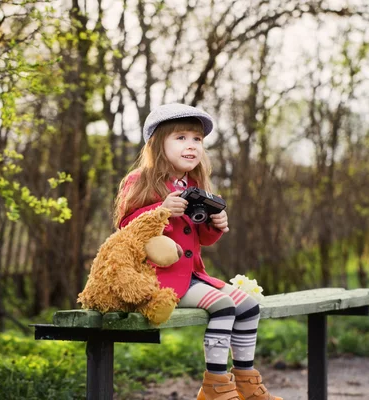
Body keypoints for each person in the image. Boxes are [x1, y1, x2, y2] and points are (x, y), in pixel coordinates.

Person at [114, 103, 282, 400]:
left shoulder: (193, 185)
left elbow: (201, 239)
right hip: (157, 278)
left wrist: (216, 223)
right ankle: (215, 386)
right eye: (181, 138)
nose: (191, 145)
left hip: (192, 275)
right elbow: (125, 230)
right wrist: (160, 210)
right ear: (157, 143)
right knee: (223, 305)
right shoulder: (140, 181)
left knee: (248, 306)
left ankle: (246, 384)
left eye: (197, 140)